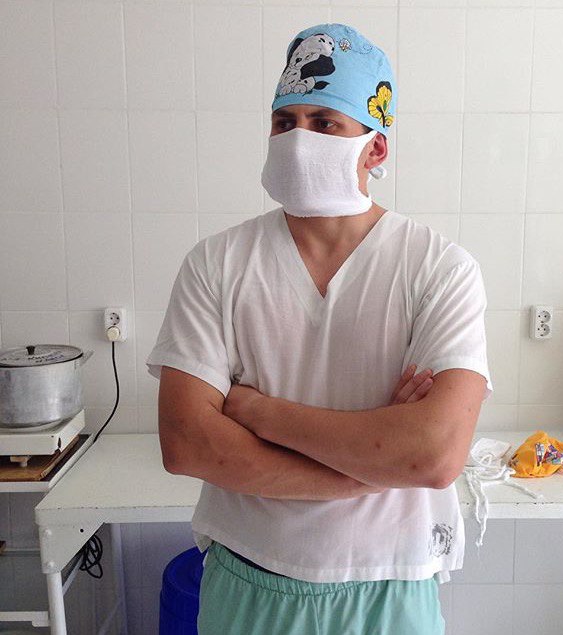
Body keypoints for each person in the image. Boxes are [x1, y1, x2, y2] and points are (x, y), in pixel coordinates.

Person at [145, 22, 493, 635]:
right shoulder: (217, 263)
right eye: (285, 122)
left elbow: (434, 454)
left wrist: (256, 411)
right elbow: (187, 444)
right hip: (249, 578)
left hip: (390, 583)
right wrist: (371, 468)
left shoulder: (438, 268)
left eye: (325, 123)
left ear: (375, 149)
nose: (298, 139)